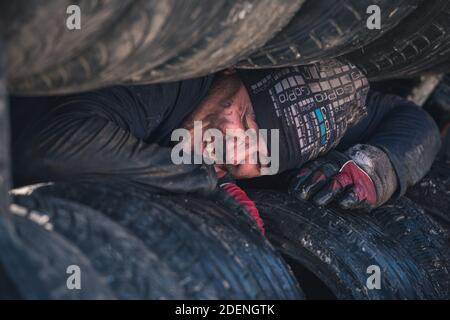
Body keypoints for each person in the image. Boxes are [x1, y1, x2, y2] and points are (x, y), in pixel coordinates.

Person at [10, 59, 441, 234]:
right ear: (232, 72)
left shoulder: (305, 129)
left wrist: (373, 169)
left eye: (261, 157)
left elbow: (413, 121)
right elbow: (48, 148)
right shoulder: (172, 86)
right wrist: (198, 179)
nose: (235, 154)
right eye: (247, 121)